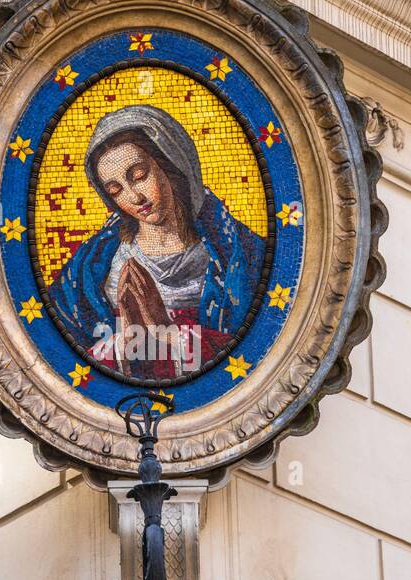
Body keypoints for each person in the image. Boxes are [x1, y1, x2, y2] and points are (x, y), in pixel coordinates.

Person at [48, 105, 265, 381]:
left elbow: (259, 352)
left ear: (172, 163)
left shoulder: (238, 255)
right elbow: (59, 357)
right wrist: (121, 343)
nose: (134, 197)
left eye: (139, 176)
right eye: (115, 191)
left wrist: (167, 334)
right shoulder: (93, 265)